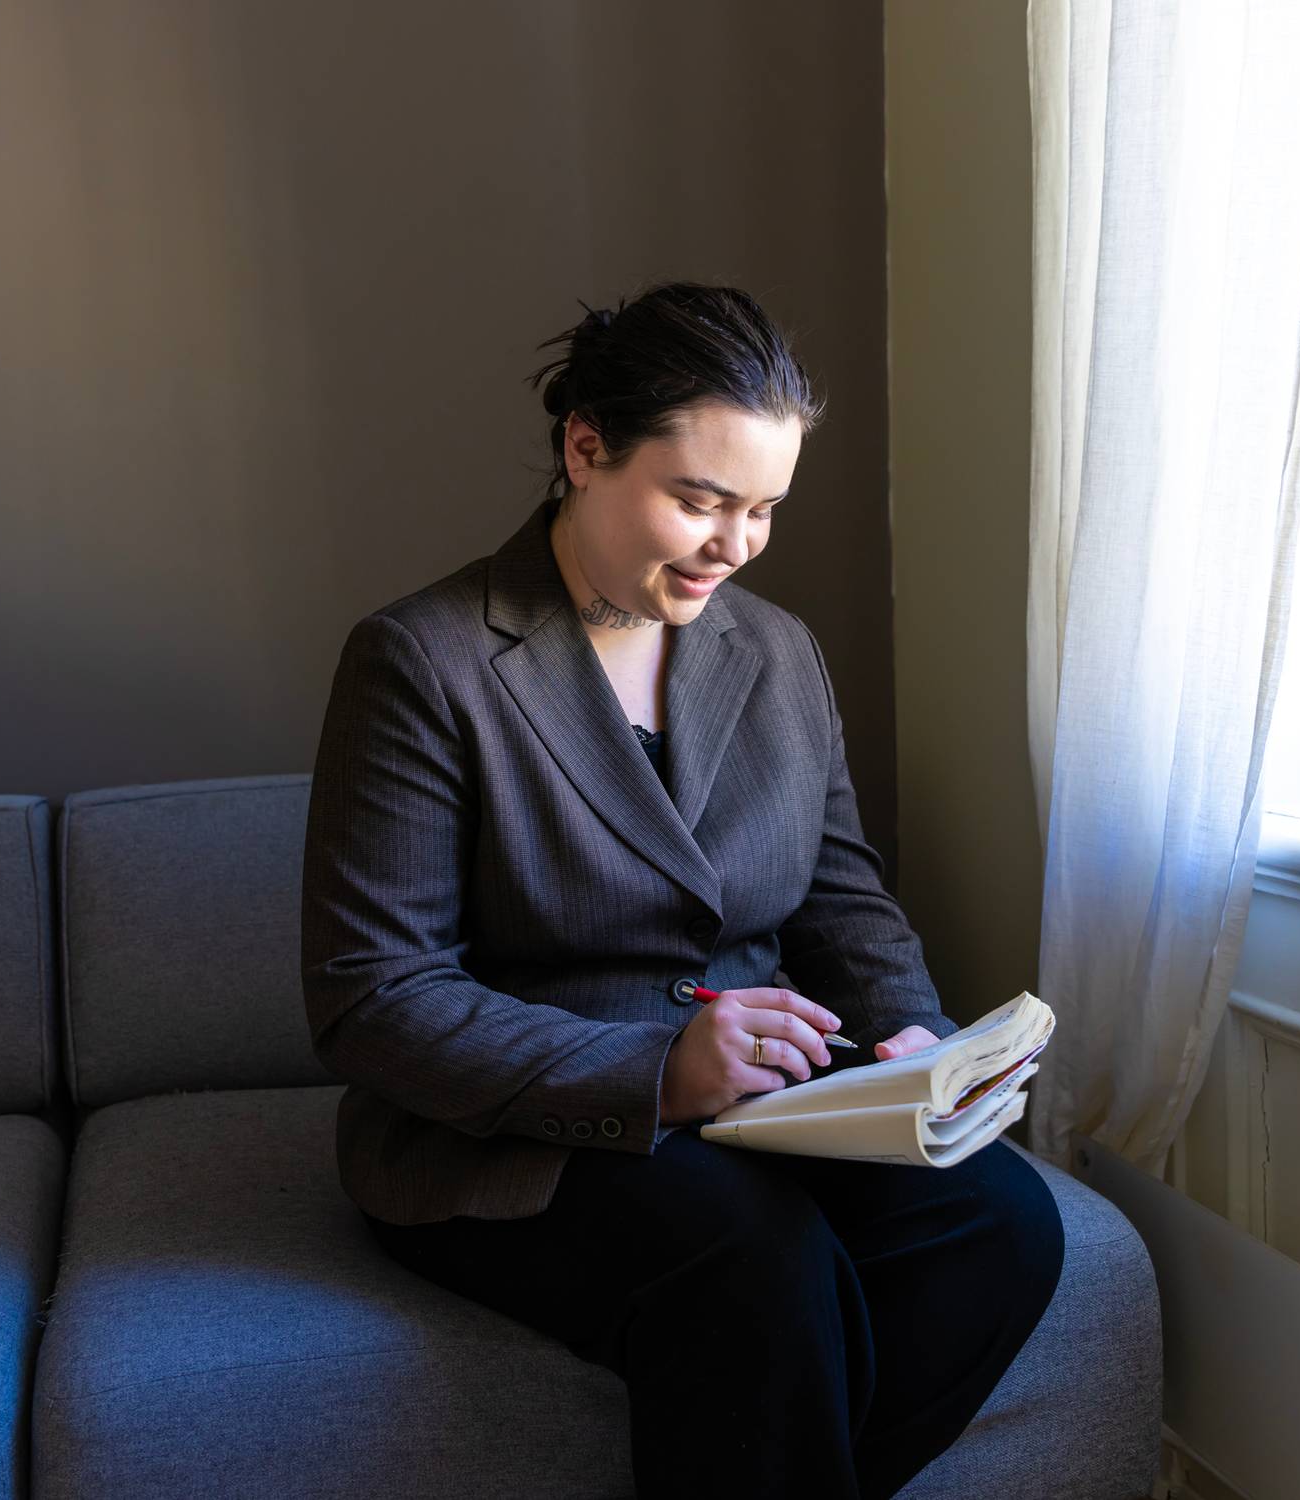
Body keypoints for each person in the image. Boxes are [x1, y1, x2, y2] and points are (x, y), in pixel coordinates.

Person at [300, 281, 1065, 1499]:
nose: (735, 544)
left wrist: (910, 1036)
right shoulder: (421, 661)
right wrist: (654, 1073)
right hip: (513, 1131)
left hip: (773, 1101)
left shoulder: (776, 651)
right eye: (698, 501)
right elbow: (370, 997)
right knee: (752, 1257)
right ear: (584, 450)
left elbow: (839, 897)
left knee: (1000, 1227)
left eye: (762, 508)